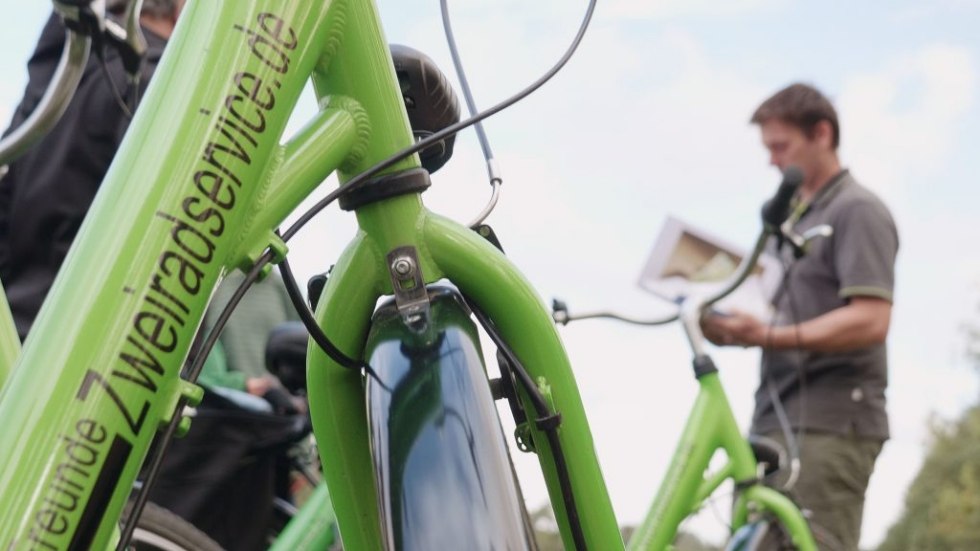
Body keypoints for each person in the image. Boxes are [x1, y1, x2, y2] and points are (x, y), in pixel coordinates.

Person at [702, 83, 898, 550]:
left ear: (822, 134)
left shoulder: (858, 210)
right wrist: (731, 324)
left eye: (780, 147)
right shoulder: (787, 219)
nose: (772, 160)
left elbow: (871, 319)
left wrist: (769, 335)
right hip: (772, 414)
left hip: (829, 424)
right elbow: (768, 309)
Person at [0, 0, 184, 340]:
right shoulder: (163, 86)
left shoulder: (56, 80)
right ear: (180, 11)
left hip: (15, 330)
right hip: (90, 342)